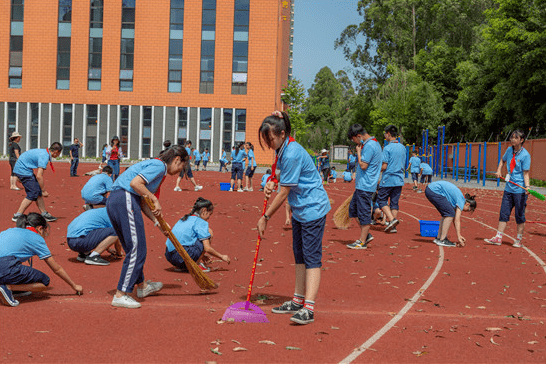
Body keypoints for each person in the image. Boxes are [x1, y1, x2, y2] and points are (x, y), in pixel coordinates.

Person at [257, 110, 331, 325]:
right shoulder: (283, 149)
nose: (268, 143)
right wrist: (271, 180)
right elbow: (280, 176)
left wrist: (265, 216)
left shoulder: (291, 152)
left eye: (270, 138)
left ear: (281, 134)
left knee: (312, 258)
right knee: (299, 255)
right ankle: (298, 300)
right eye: (265, 139)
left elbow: (284, 192)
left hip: (312, 209)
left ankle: (309, 308)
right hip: (301, 210)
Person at [106, 145, 188, 309]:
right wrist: (154, 199)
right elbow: (136, 184)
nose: (179, 171)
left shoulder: (157, 167)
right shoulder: (159, 166)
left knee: (133, 247)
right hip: (125, 199)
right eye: (181, 167)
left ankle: (142, 286)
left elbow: (143, 202)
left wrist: (159, 222)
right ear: (177, 160)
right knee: (137, 249)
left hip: (119, 200)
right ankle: (121, 294)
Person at [0, 213, 83, 307]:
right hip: (5, 265)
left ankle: (12, 288)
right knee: (44, 282)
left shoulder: (9, 231)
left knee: (14, 268)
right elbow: (57, 269)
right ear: (40, 228)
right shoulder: (36, 238)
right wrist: (74, 286)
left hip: (6, 265)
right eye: (44, 230)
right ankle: (8, 287)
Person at [484, 129, 531, 248]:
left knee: (519, 216)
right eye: (511, 137)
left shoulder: (525, 155)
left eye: (515, 138)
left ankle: (518, 240)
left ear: (521, 140)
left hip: (519, 191)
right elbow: (502, 161)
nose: (512, 139)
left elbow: (526, 174)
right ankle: (498, 237)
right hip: (508, 189)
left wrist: (527, 187)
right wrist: (499, 169)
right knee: (503, 213)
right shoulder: (509, 150)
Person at [165, 197, 230, 273]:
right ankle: (196, 264)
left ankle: (181, 266)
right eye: (210, 214)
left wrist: (202, 255)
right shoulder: (201, 222)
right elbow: (207, 248)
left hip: (170, 256)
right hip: (181, 257)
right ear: (204, 210)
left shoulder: (184, 218)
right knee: (209, 232)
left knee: (198, 236)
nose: (209, 217)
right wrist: (222, 257)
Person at [346, 124, 382, 249]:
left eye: (353, 139)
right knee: (353, 210)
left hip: (366, 185)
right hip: (362, 185)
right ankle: (366, 235)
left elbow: (363, 165)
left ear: (359, 136)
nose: (354, 142)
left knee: (364, 213)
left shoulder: (370, 145)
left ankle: (362, 242)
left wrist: (359, 152)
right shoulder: (372, 143)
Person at [12, 142, 62, 222]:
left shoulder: (44, 152)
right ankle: (17, 215)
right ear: (56, 151)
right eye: (59, 153)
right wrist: (43, 190)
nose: (58, 155)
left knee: (37, 192)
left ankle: (44, 213)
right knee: (33, 193)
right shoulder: (44, 156)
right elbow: (39, 176)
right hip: (23, 171)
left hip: (23, 169)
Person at [425, 180, 477, 247]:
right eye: (468, 210)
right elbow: (457, 219)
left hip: (430, 190)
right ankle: (442, 240)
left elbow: (454, 219)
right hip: (434, 191)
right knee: (449, 213)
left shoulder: (459, 199)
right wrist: (459, 236)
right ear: (467, 204)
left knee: (447, 214)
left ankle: (439, 238)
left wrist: (459, 235)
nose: (466, 211)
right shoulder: (461, 200)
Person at [377, 125, 406, 234]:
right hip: (399, 179)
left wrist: (375, 171)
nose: (385, 136)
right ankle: (393, 226)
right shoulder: (402, 147)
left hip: (388, 178)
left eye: (385, 133)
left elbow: (384, 166)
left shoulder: (387, 148)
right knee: (394, 202)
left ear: (388, 134)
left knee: (381, 200)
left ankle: (392, 220)